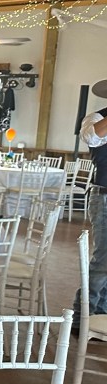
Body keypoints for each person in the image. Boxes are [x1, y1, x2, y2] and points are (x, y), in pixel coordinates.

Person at [79, 77, 107, 314]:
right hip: (105, 196)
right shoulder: (96, 119)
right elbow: (92, 137)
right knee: (104, 260)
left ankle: (101, 314)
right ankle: (83, 315)